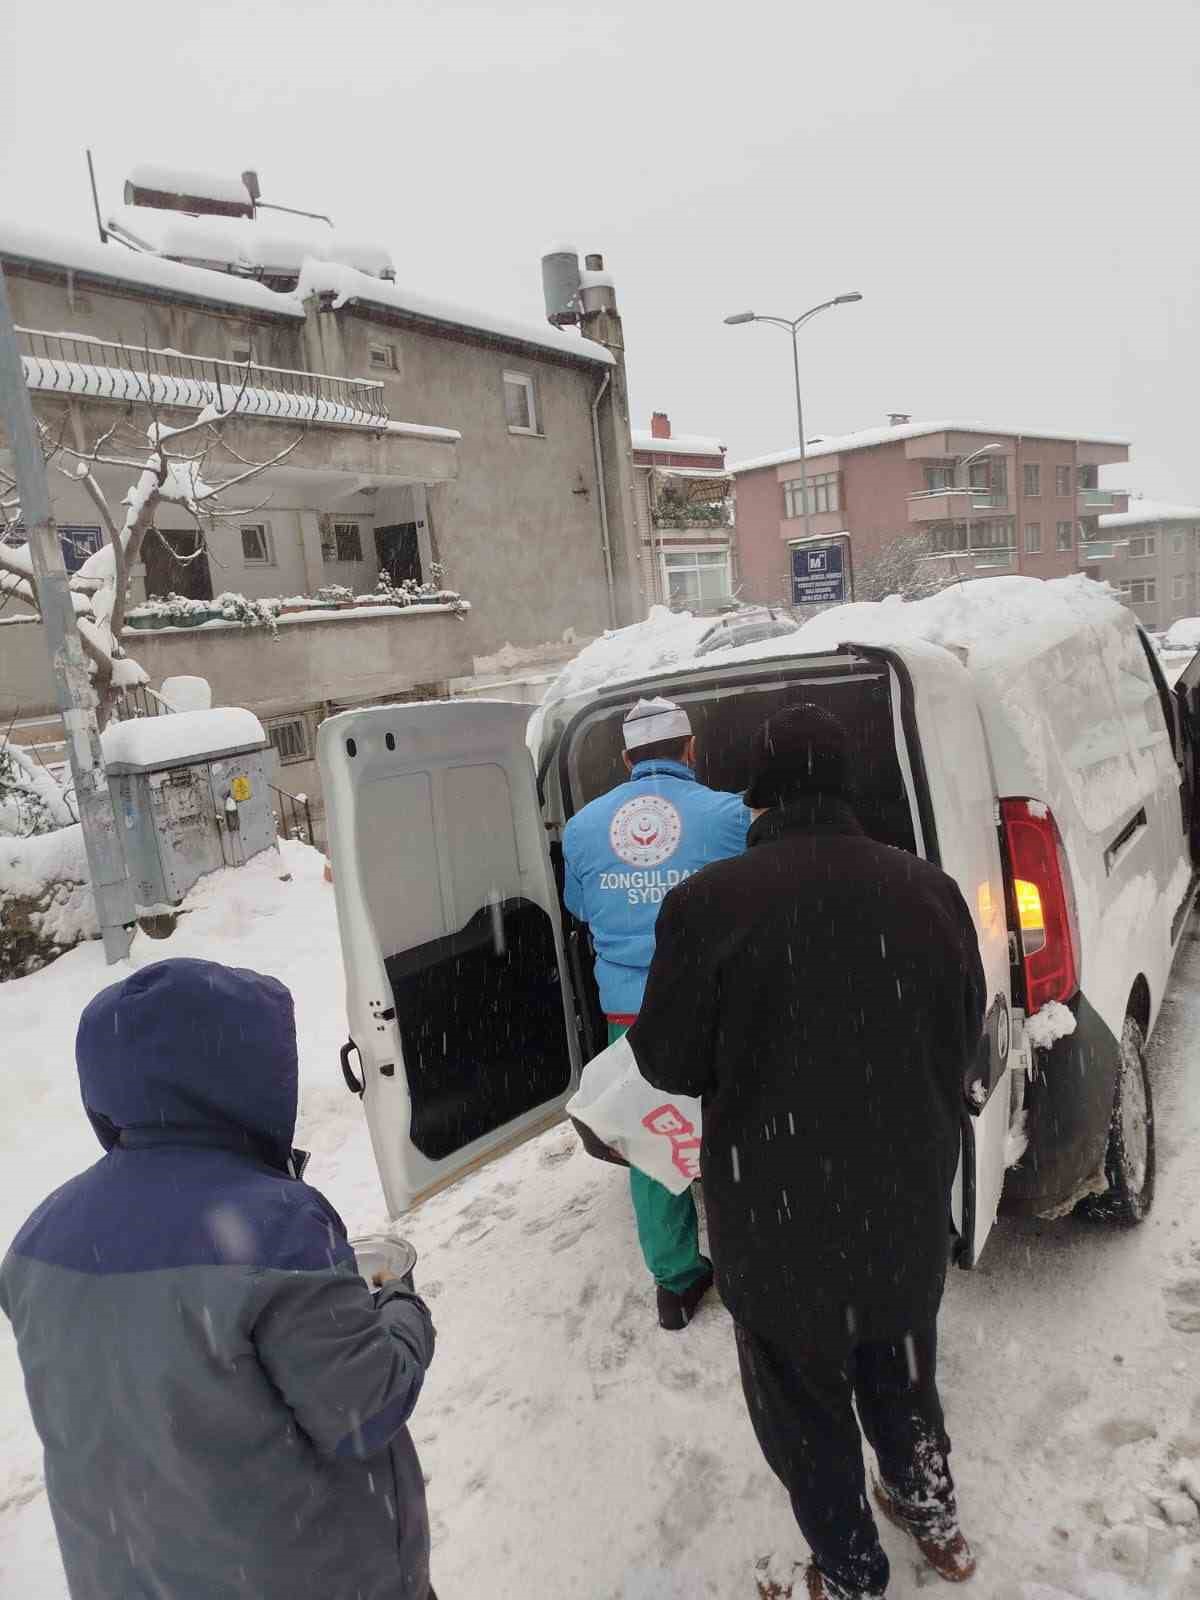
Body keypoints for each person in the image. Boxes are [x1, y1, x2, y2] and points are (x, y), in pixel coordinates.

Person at [629, 704, 987, 1599]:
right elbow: (966, 1041)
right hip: (902, 1201)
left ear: (757, 792)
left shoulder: (707, 906)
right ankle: (931, 1515)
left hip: (776, 1213)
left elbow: (666, 1061)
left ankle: (850, 1569)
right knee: (900, 1367)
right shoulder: (928, 890)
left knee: (805, 1410)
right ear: (848, 784)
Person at [0, 957, 437, 1600]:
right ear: (251, 1076)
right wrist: (402, 1306)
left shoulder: (38, 1236)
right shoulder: (277, 1226)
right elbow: (362, 1411)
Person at [563, 695, 750, 1330]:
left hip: (630, 1014)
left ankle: (675, 1281)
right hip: (718, 1004)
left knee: (652, 1136)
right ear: (690, 750)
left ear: (625, 759)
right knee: (734, 1130)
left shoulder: (584, 826)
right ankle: (751, 1260)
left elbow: (582, 909)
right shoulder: (729, 816)